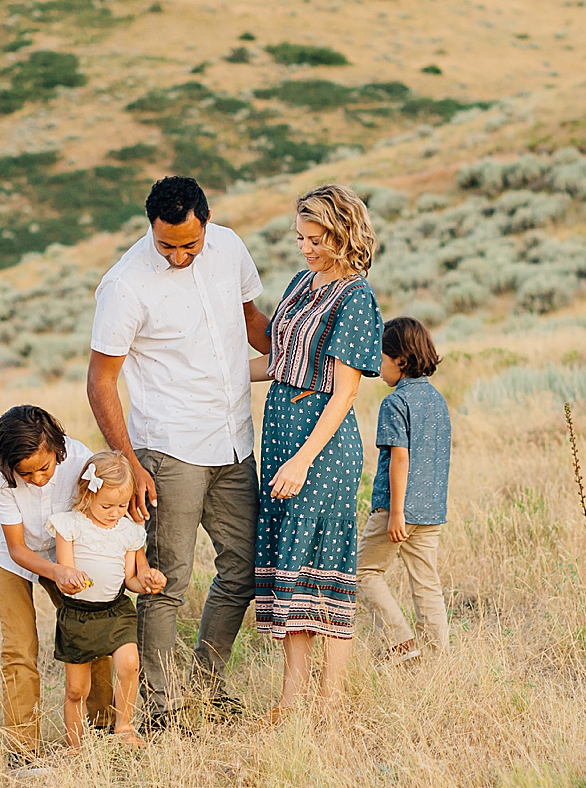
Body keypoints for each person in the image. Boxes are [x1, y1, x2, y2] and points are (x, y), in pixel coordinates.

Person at [87, 176, 270, 732]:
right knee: (167, 581)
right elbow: (100, 382)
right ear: (151, 227)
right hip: (168, 449)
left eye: (189, 243)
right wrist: (132, 464)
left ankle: (207, 689)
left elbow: (250, 323)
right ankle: (162, 712)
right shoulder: (124, 285)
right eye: (167, 244)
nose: (178, 254)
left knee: (243, 567)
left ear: (206, 222)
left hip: (234, 440)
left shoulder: (231, 248)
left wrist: (303, 356)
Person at [251, 184, 384, 719]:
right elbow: (280, 363)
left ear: (342, 233)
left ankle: (328, 703)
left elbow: (346, 390)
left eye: (315, 238)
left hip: (319, 447)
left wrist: (302, 460)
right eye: (299, 237)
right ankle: (291, 698)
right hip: (280, 432)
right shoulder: (302, 282)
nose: (304, 247)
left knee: (324, 568)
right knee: (291, 569)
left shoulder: (356, 296)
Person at [0, 404, 117, 771]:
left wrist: (70, 568)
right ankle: (22, 751)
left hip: (63, 547)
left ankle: (102, 728)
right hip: (10, 555)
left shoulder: (80, 460)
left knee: (92, 632)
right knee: (20, 646)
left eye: (44, 468)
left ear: (58, 449)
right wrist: (54, 572)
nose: (37, 479)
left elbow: (94, 515)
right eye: (26, 474)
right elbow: (18, 549)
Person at [48, 452, 166, 748]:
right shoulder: (69, 526)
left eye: (122, 505)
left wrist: (149, 581)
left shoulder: (128, 532)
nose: (115, 512)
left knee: (129, 663)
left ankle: (123, 725)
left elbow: (131, 580)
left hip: (115, 611)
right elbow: (66, 575)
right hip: (79, 614)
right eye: (107, 505)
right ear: (87, 494)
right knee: (77, 689)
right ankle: (75, 746)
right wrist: (73, 581)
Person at [356, 316, 453, 665]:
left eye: (380, 359)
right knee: (427, 583)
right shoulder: (438, 402)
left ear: (401, 360)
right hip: (431, 511)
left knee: (363, 571)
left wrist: (396, 512)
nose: (376, 367)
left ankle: (399, 640)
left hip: (396, 510)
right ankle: (437, 659)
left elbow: (400, 459)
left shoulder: (395, 403)